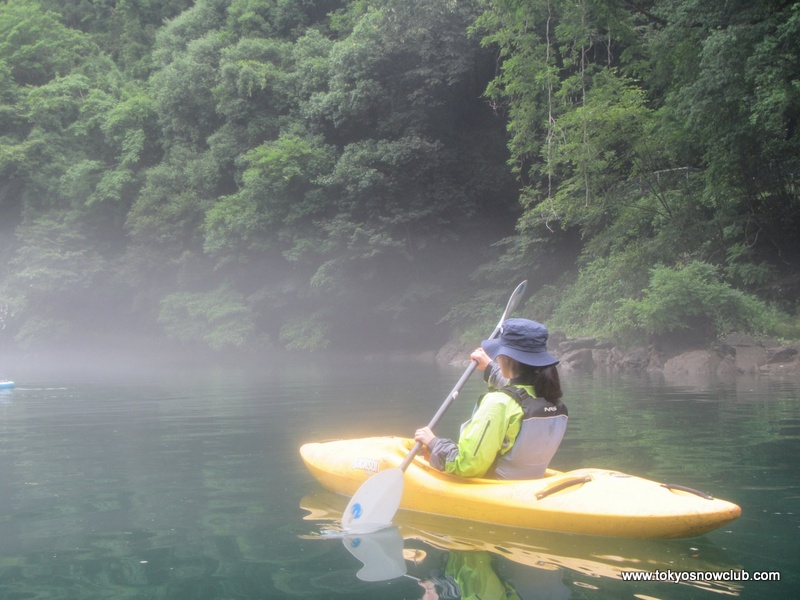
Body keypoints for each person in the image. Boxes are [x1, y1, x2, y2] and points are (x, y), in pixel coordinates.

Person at [414, 318, 567, 479]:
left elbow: (467, 466)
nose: (496, 358)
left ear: (506, 359)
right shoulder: (551, 399)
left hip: (497, 490)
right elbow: (519, 395)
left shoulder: (497, 404)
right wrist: (489, 368)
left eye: (498, 355)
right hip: (528, 486)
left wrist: (434, 443)